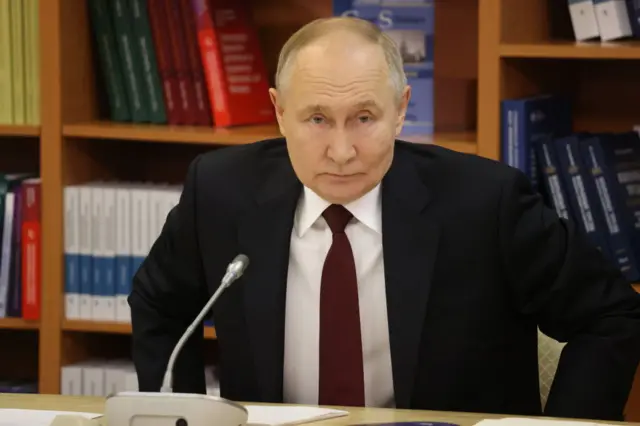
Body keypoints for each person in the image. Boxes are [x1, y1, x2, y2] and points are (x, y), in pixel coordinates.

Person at [128, 16, 640, 421]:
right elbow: (159, 302)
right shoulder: (221, 192)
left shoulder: (485, 204)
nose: (342, 150)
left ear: (401, 111)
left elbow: (611, 316)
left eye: (365, 118)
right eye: (317, 119)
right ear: (280, 112)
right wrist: (181, 417)